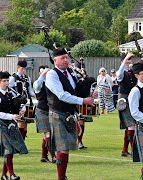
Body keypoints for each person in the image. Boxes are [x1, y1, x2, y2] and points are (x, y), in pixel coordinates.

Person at [45, 48, 94, 180]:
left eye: (67, 57)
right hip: (57, 113)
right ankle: (61, 177)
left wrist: (88, 90)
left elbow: (75, 91)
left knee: (65, 148)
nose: (66, 60)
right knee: (63, 148)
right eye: (63, 58)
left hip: (69, 113)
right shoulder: (52, 75)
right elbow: (61, 95)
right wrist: (83, 101)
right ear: (55, 60)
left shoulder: (70, 72)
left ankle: (63, 176)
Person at [0, 71, 28, 180]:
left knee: (10, 150)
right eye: (4, 81)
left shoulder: (12, 93)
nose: (6, 83)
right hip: (2, 124)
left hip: (12, 124)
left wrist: (22, 110)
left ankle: (3, 175)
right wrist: (11, 116)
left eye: (7, 81)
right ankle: (12, 175)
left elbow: (22, 104)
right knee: (8, 149)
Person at [33, 65, 56, 163]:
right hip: (42, 110)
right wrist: (43, 74)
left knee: (48, 134)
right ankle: (54, 156)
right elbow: (37, 85)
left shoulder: (51, 83)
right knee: (48, 134)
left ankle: (43, 156)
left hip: (51, 110)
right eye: (42, 72)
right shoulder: (37, 83)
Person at [116, 52, 137, 157]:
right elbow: (119, 75)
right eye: (128, 60)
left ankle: (125, 150)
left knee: (130, 126)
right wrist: (125, 60)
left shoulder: (132, 72)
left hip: (132, 99)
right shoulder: (121, 72)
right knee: (131, 125)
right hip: (124, 100)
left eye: (130, 60)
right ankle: (134, 151)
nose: (129, 62)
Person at [9, 60, 35, 140]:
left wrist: (36, 95)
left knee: (25, 123)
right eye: (22, 69)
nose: (23, 70)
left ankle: (22, 141)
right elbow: (10, 90)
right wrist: (17, 98)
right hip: (18, 102)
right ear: (18, 68)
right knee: (21, 122)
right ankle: (19, 142)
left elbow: (30, 90)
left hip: (27, 101)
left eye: (25, 69)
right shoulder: (13, 78)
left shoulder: (27, 78)